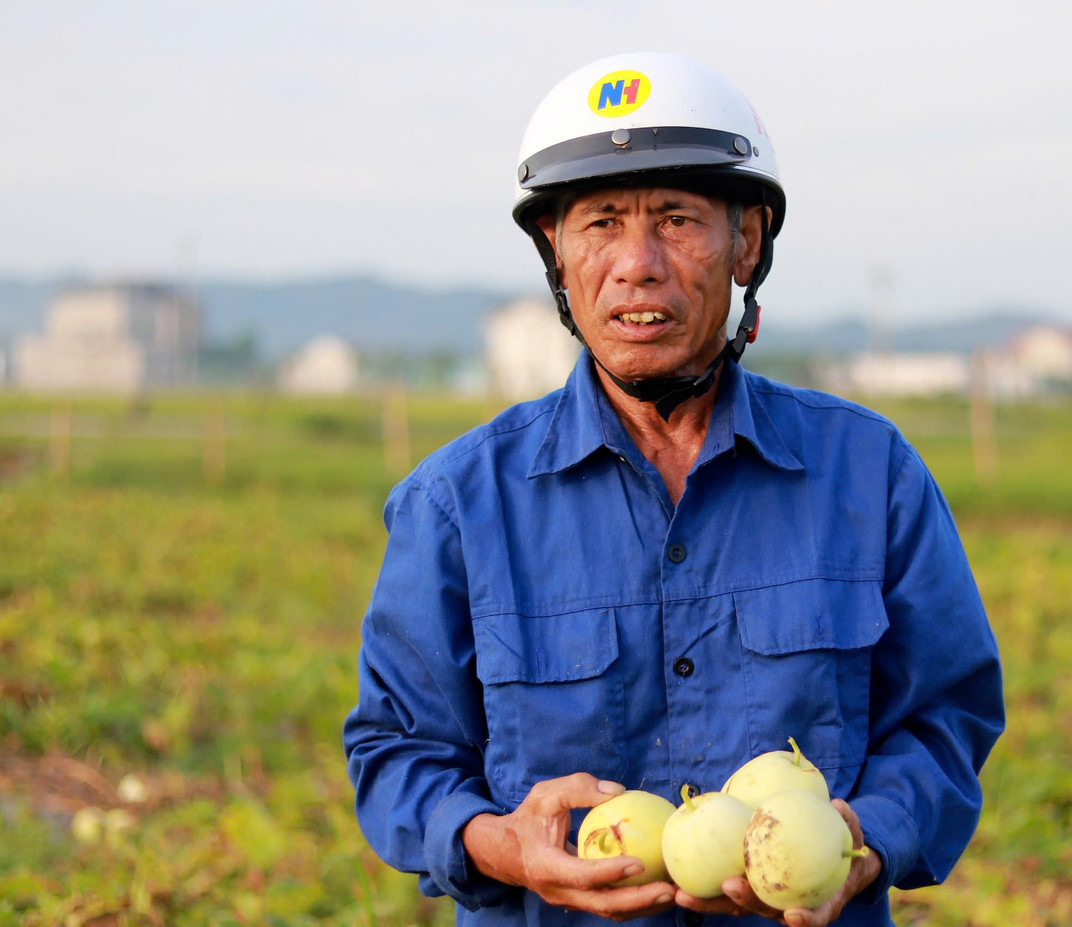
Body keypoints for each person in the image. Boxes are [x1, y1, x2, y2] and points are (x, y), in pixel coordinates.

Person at [343, 52, 1003, 927]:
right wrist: (499, 842)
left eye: (679, 220)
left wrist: (863, 835)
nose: (637, 263)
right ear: (556, 253)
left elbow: (947, 715)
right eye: (600, 224)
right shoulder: (458, 504)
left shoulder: (869, 474)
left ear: (748, 243)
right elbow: (397, 752)